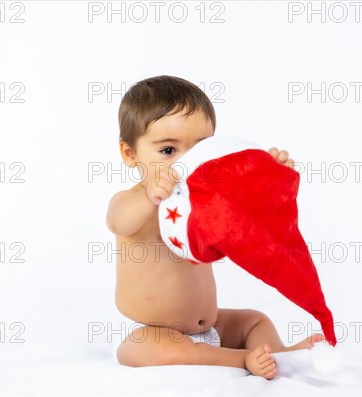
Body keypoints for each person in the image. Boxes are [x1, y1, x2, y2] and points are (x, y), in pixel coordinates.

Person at [106, 75, 325, 380]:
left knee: (254, 320)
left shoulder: (204, 202)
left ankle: (276, 353)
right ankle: (242, 360)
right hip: (159, 332)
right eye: (168, 151)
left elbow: (243, 230)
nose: (187, 162)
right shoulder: (131, 202)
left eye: (201, 148)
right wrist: (149, 196)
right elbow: (119, 221)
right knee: (135, 349)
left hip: (213, 325)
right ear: (130, 154)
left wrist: (268, 180)